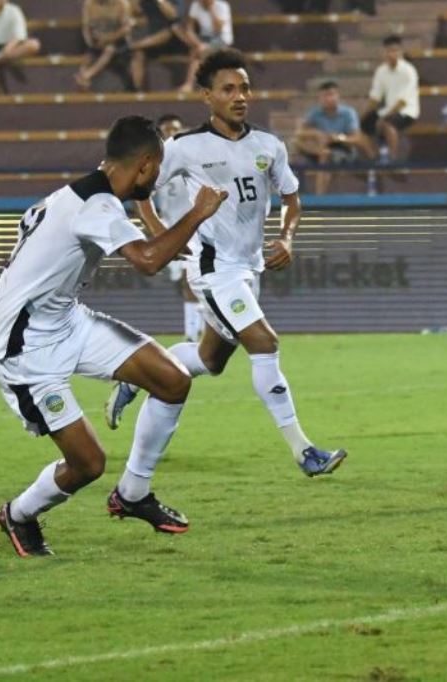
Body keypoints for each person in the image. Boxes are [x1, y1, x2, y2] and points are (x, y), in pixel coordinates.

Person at [0, 116, 228, 556]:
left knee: (173, 380)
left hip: (66, 321)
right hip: (24, 349)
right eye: (157, 171)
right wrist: (198, 212)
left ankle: (133, 494)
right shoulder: (95, 206)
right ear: (146, 165)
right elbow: (149, 260)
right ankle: (18, 514)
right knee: (88, 464)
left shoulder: (80, 194)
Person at [106, 49, 347, 477]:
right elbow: (139, 186)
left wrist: (287, 236)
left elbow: (292, 198)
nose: (240, 96)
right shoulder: (184, 147)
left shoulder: (268, 146)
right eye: (228, 89)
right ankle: (304, 451)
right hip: (214, 270)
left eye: (245, 88)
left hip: (249, 268)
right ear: (207, 96)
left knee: (210, 360)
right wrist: (159, 233)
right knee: (265, 343)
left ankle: (135, 376)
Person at [151, 113, 205, 342]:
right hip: (170, 230)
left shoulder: (194, 159)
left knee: (190, 279)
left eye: (176, 128)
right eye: (167, 130)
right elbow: (145, 198)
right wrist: (155, 226)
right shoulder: (156, 166)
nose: (172, 133)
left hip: (197, 230)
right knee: (187, 282)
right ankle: (200, 328)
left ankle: (192, 335)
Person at [294, 80, 375, 194]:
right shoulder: (315, 112)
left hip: (343, 150)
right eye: (324, 96)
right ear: (320, 98)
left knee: (325, 155)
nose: (328, 99)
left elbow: (357, 138)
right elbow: (299, 132)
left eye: (331, 94)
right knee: (297, 143)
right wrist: (316, 134)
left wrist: (339, 138)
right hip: (321, 148)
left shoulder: (348, 113)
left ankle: (319, 199)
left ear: (338, 96)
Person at [361, 34, 419, 163]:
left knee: (388, 124)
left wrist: (384, 117)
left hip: (407, 111)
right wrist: (364, 114)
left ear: (400, 52)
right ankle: (373, 157)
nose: (392, 54)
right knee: (364, 124)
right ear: (384, 52)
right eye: (389, 50)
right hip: (387, 109)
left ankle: (392, 159)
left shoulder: (409, 71)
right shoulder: (381, 71)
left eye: (395, 50)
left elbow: (403, 101)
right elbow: (375, 97)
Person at [128, 0, 187, 92]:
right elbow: (137, 14)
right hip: (151, 39)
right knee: (138, 54)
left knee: (167, 33)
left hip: (174, 41)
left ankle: (134, 45)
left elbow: (174, 16)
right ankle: (136, 89)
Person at [74, 0, 133, 92]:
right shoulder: (89, 4)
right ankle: (84, 84)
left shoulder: (122, 4)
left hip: (118, 43)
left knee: (109, 50)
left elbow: (126, 29)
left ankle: (88, 74)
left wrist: (108, 38)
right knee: (86, 62)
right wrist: (92, 43)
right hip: (97, 43)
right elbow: (86, 28)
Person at [177, 0, 232, 93]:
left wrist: (211, 9)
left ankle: (189, 84)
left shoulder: (222, 6)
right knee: (197, 49)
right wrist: (196, 42)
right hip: (204, 40)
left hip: (221, 40)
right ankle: (191, 84)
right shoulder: (196, 5)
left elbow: (218, 29)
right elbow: (189, 28)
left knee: (198, 52)